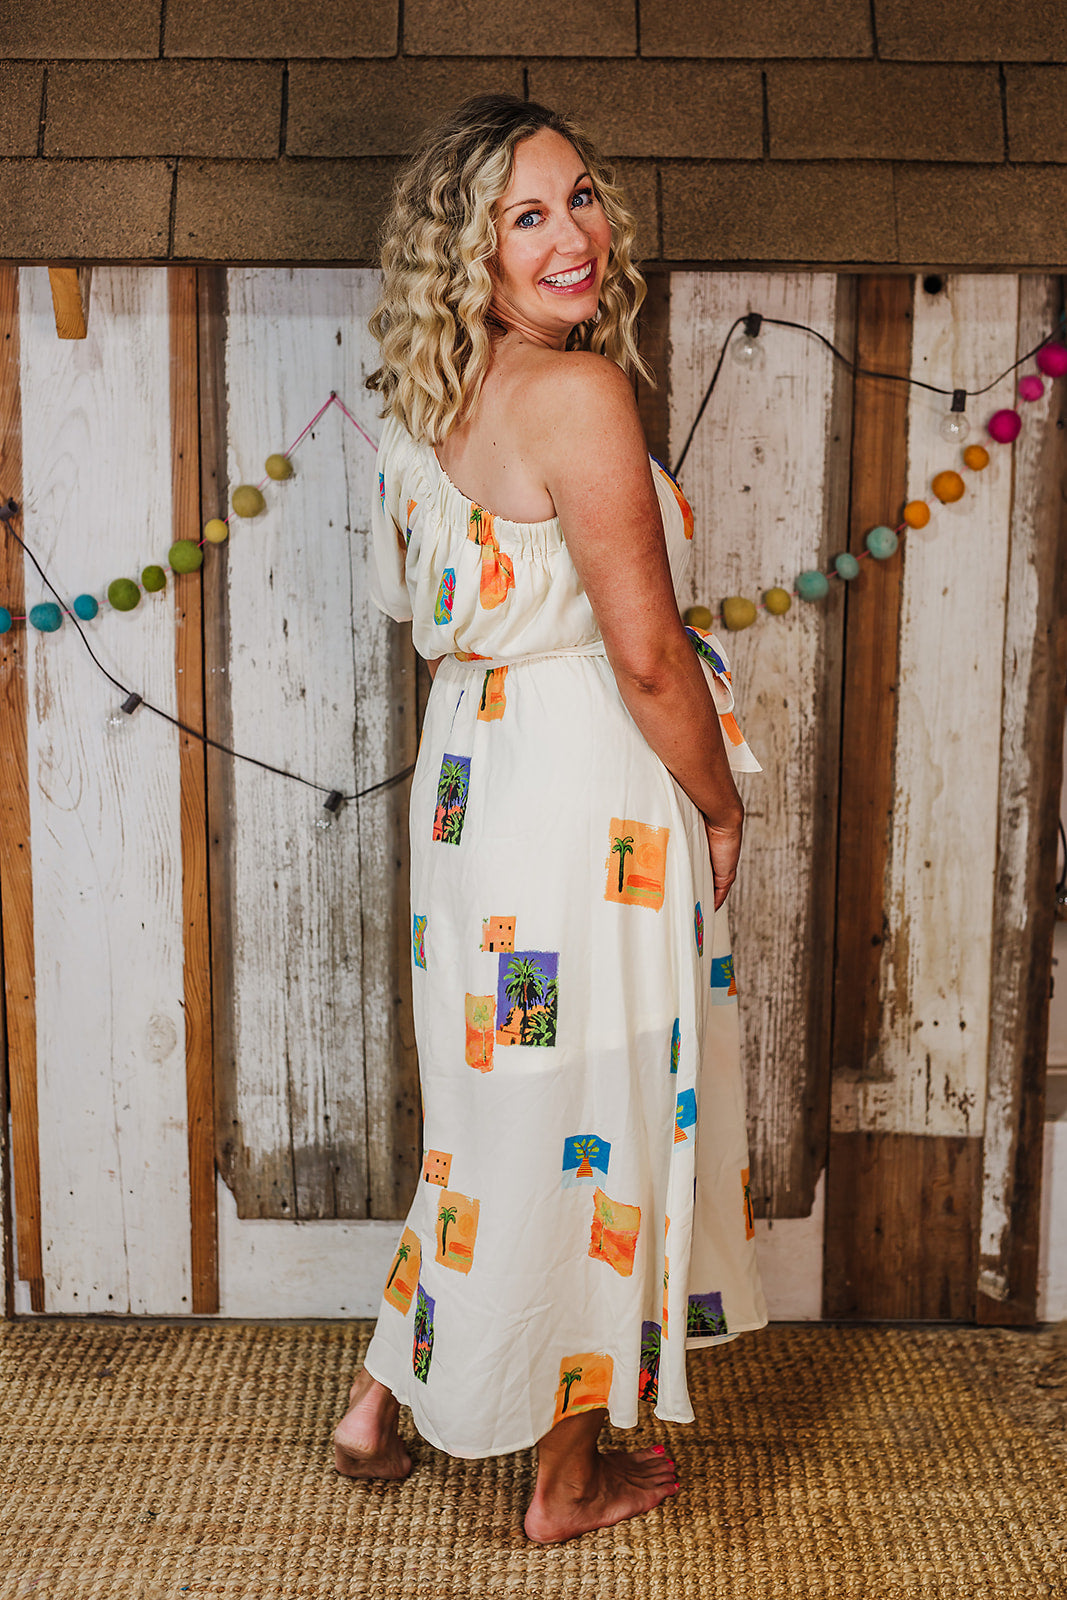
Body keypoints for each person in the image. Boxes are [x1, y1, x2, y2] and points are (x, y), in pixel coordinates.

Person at [333, 93, 767, 1544]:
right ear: (471, 250)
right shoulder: (578, 398)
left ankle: (381, 1395)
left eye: (580, 196)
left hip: (475, 793)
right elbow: (645, 657)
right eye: (527, 215)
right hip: (586, 809)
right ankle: (565, 1479)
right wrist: (718, 805)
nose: (573, 233)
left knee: (493, 1110)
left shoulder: (432, 397)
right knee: (591, 1110)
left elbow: (422, 615)